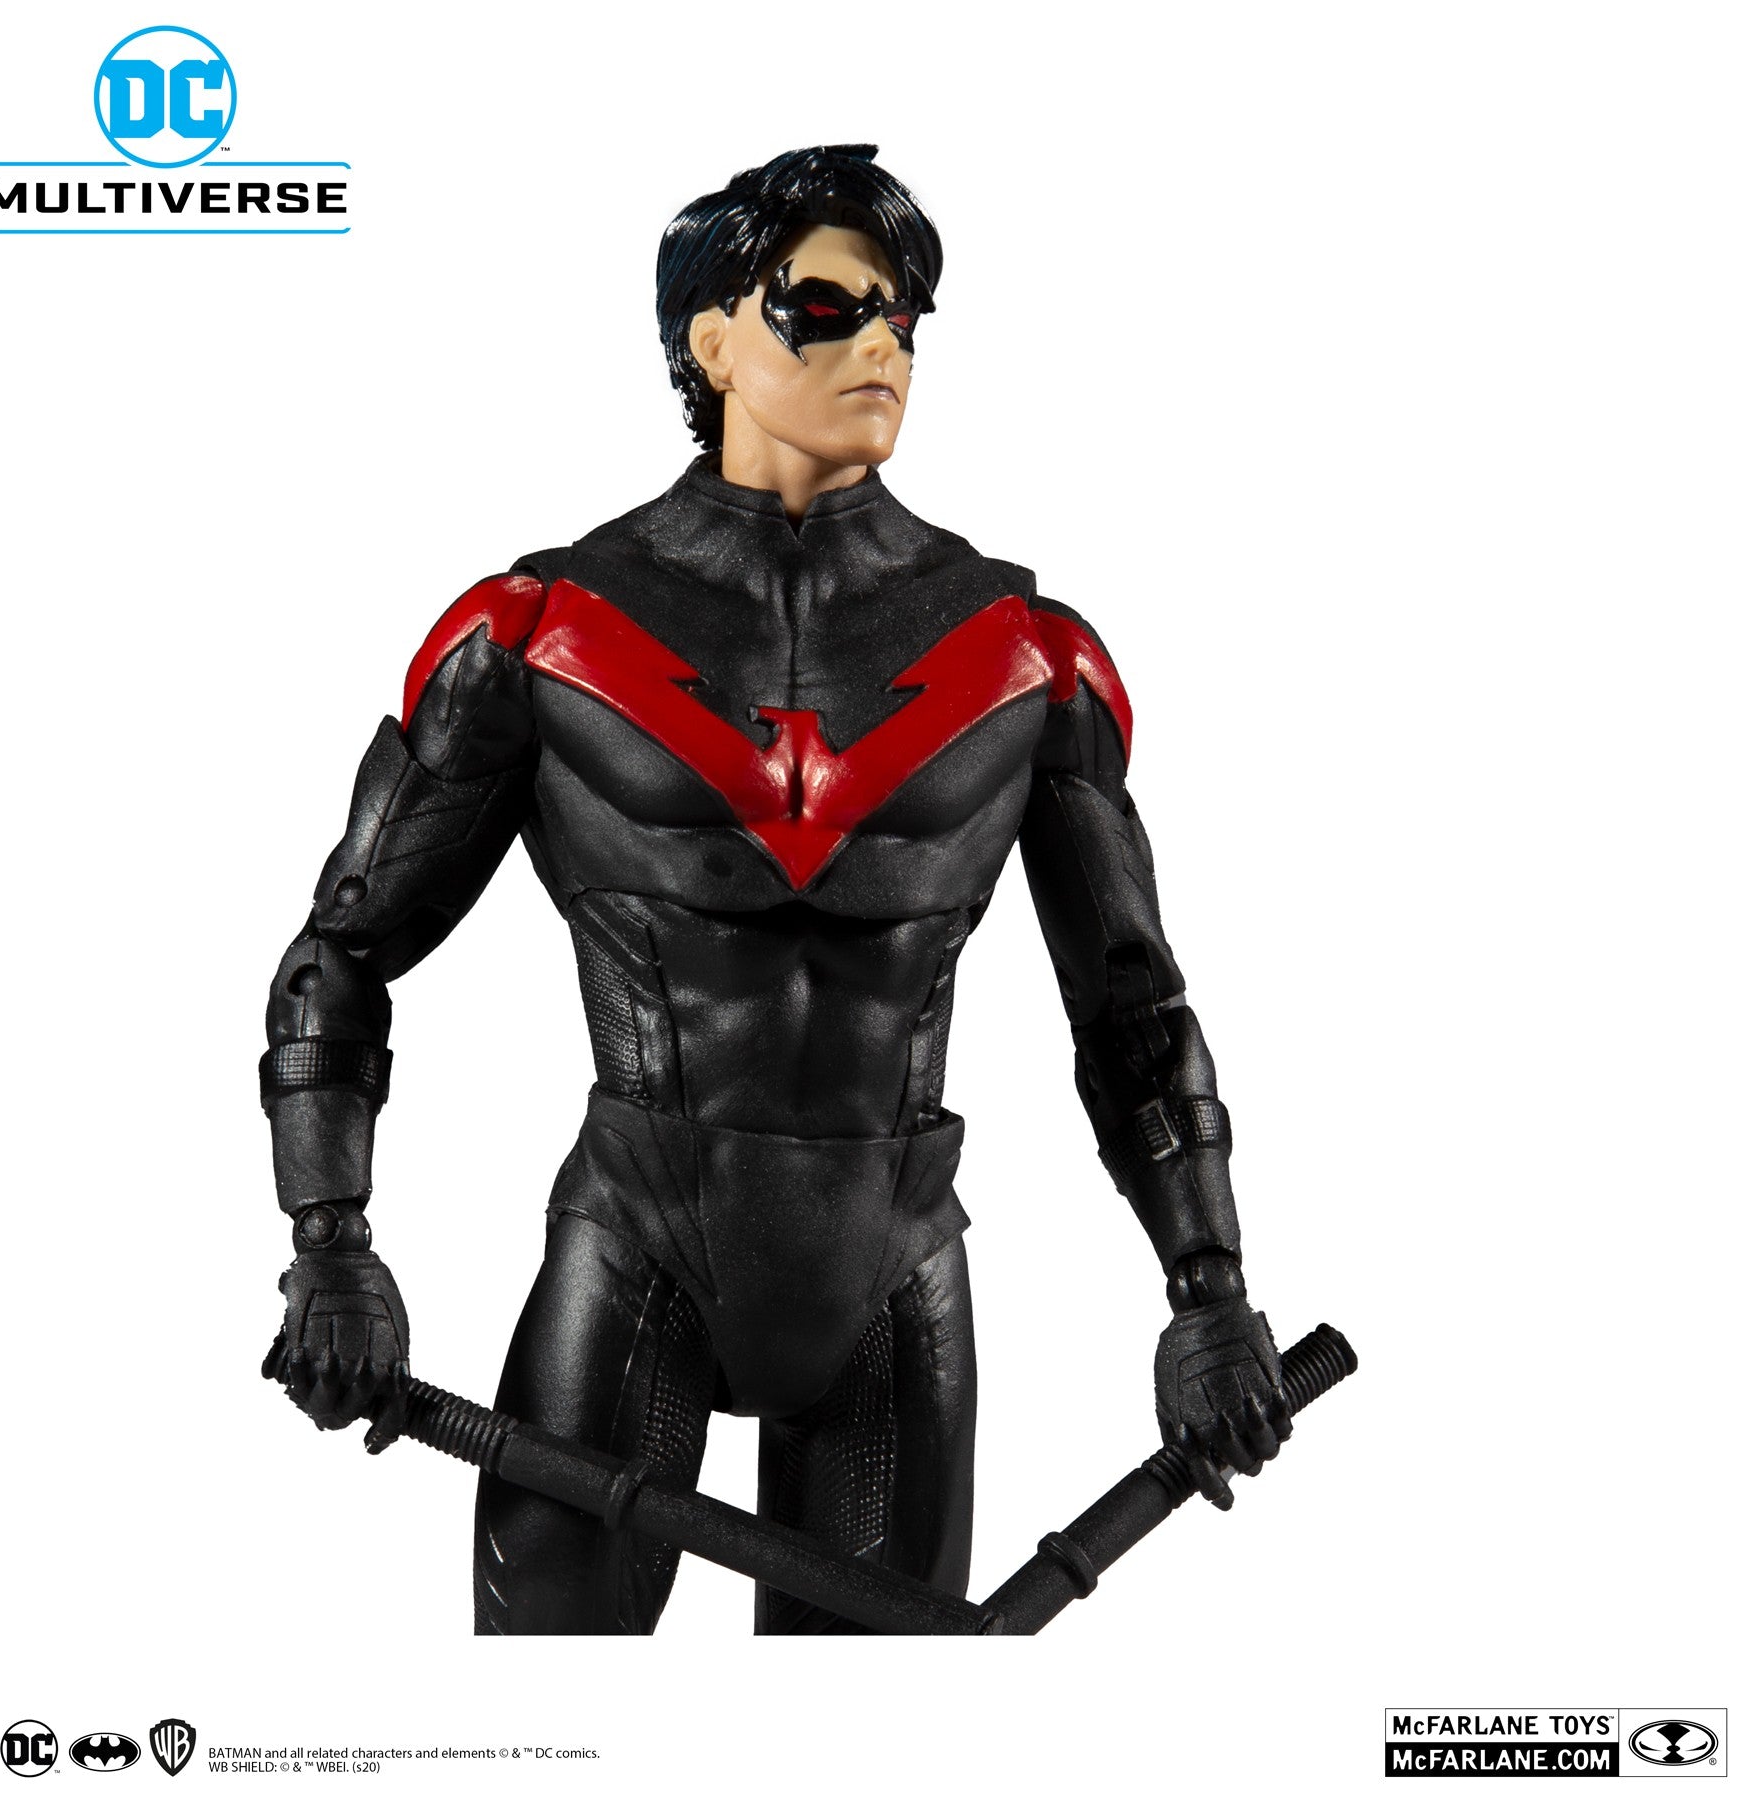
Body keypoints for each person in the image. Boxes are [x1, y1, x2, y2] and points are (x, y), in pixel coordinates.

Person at [260, 144, 1292, 1635]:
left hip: (893, 1269)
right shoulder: (540, 634)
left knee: (868, 1749)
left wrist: (1209, 1290)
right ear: (712, 341)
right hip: (637, 1246)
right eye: (826, 306)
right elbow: (341, 954)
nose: (883, 346)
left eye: (904, 319)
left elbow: (1132, 1007)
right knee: (546, 1736)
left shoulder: (1025, 656)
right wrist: (330, 1247)